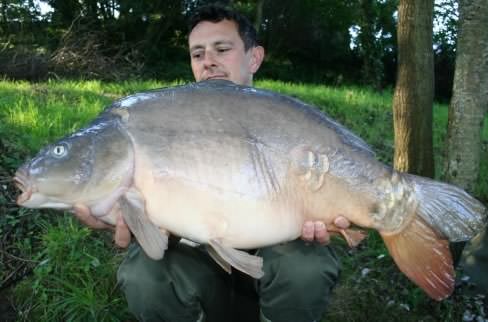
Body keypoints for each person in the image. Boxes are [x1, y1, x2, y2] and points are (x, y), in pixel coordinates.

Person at [73, 5, 350, 322]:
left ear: (254, 57)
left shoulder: (291, 123)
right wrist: (131, 220)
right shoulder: (166, 123)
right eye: (198, 54)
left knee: (307, 266)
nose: (208, 62)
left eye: (222, 49)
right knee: (144, 273)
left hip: (273, 272)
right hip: (204, 274)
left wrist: (325, 217)